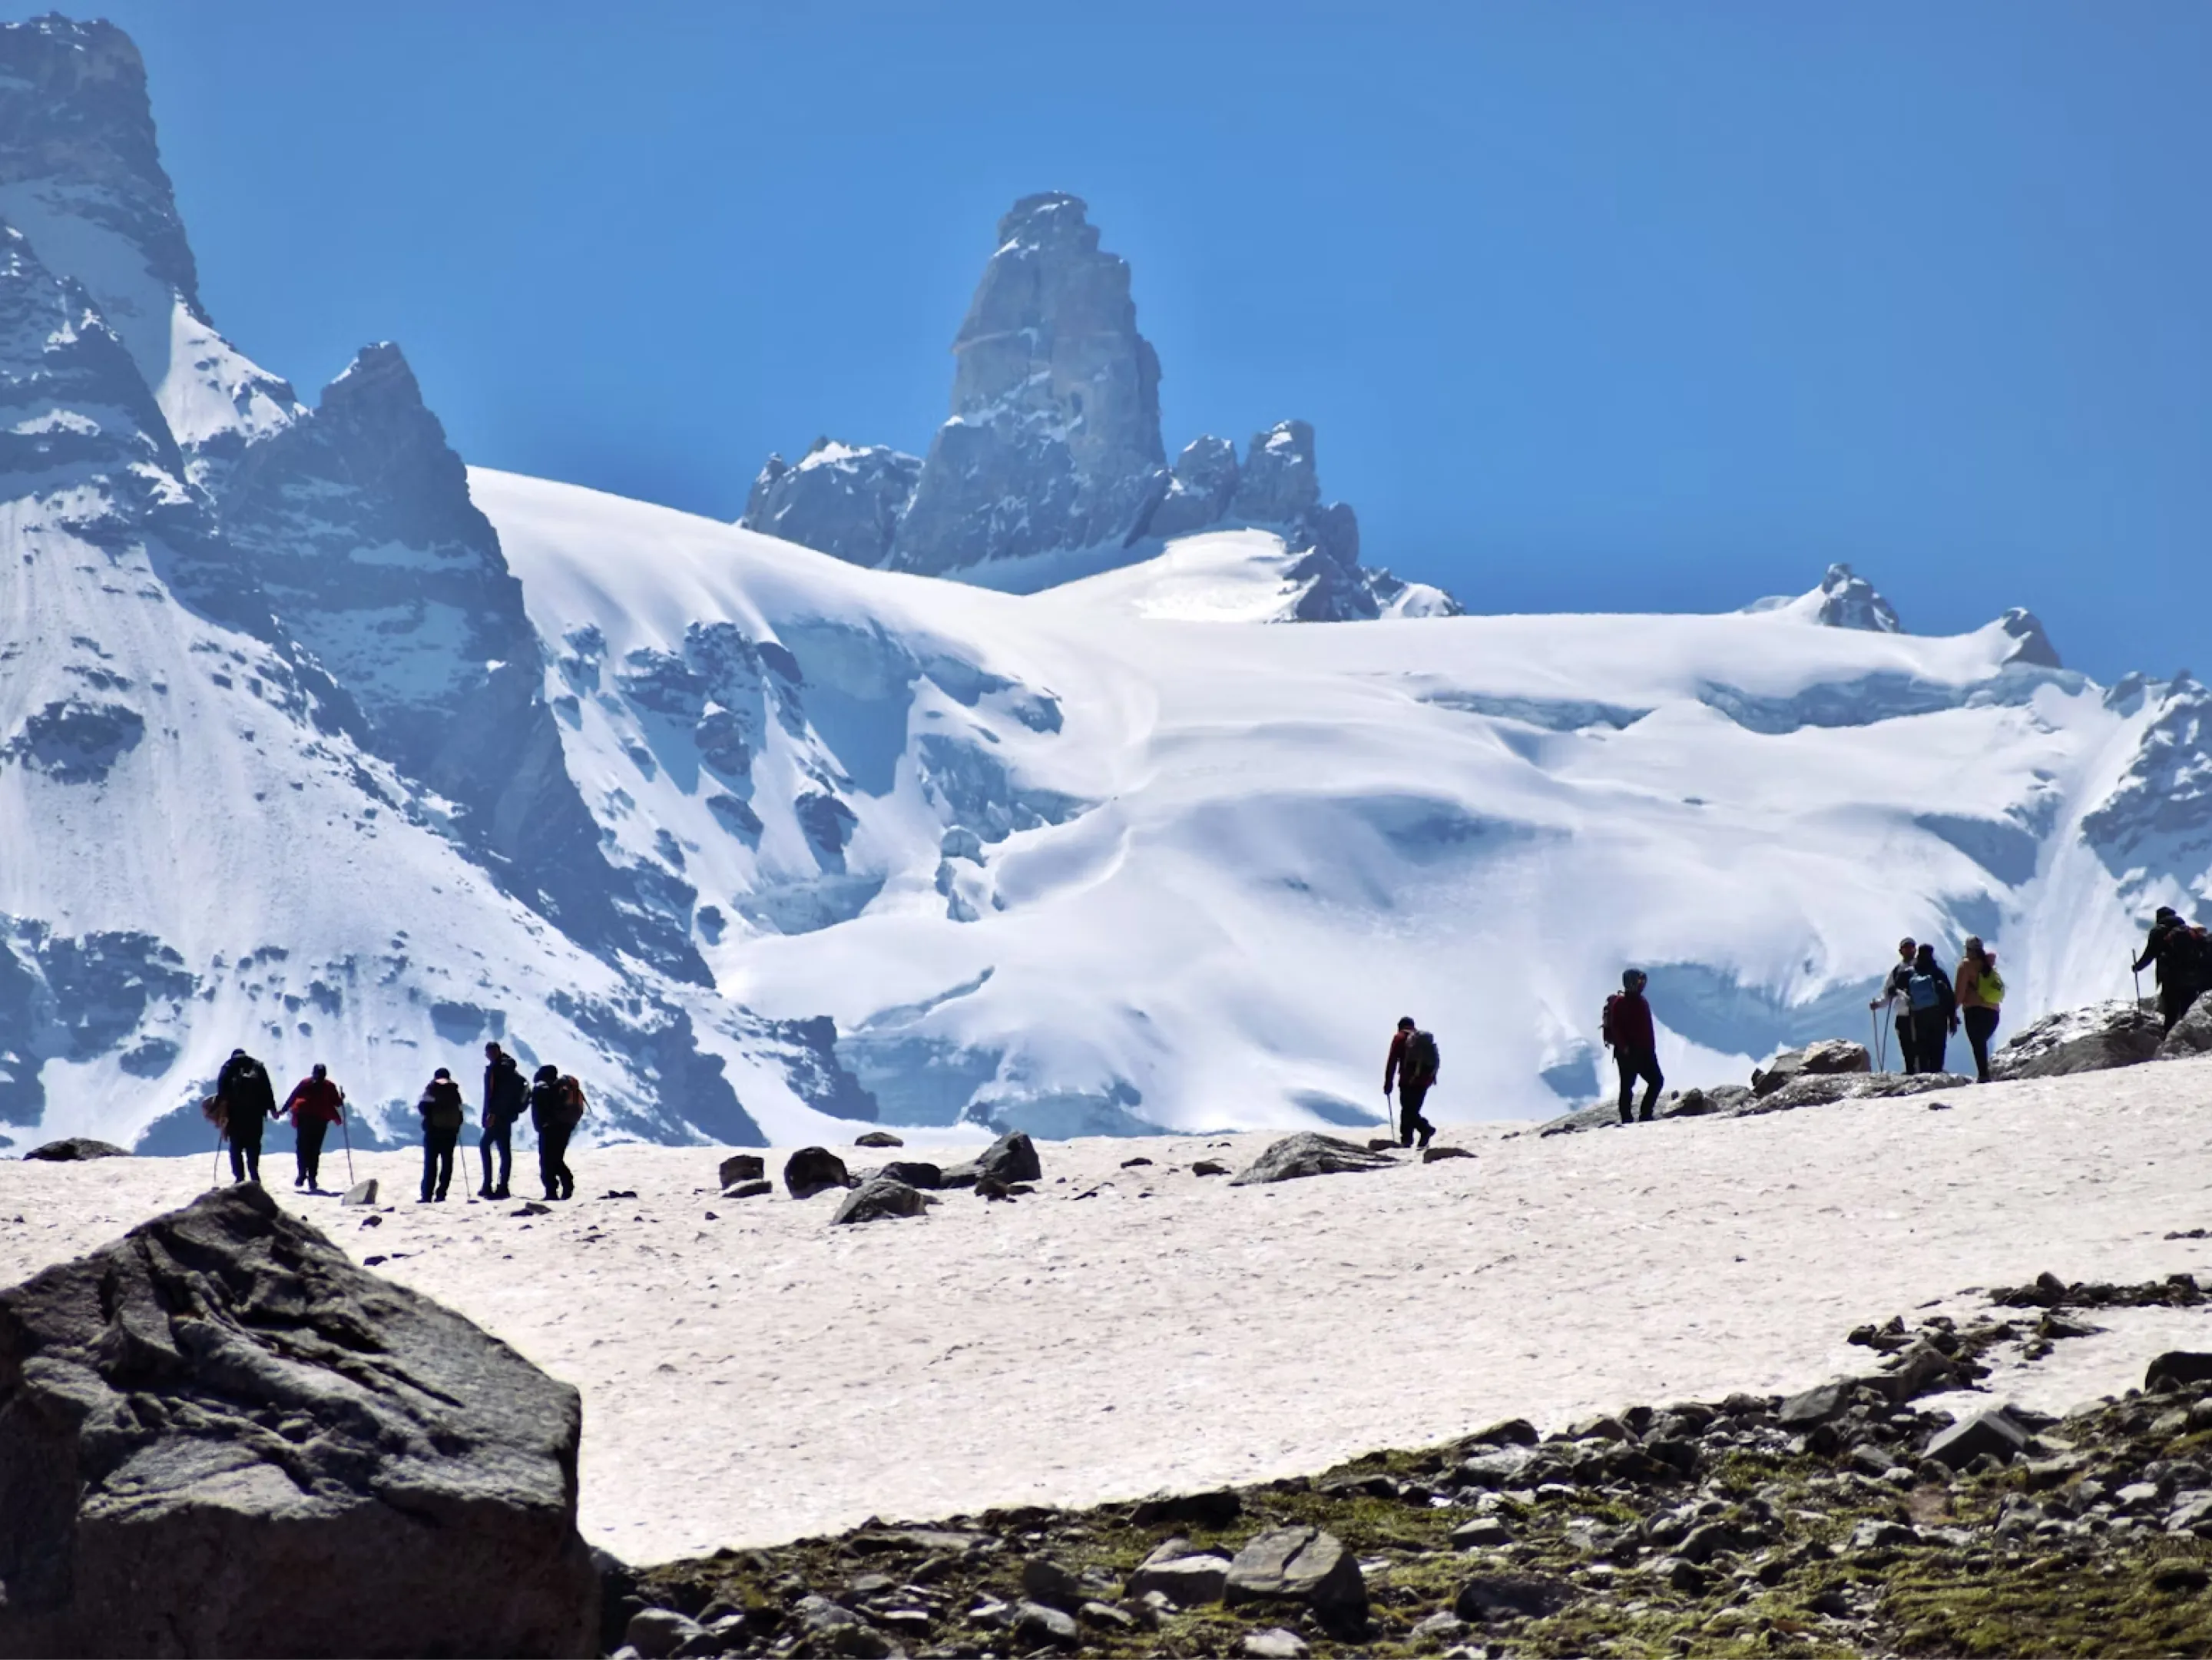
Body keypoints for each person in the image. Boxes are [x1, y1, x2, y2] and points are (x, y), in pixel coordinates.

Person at [1602, 969, 1664, 1123]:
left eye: (1642, 981)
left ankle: (1639, 1116)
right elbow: (1617, 1028)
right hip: (1631, 1053)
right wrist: (1625, 1048)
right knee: (1634, 1086)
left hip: (1641, 1052)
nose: (1642, 984)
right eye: (1639, 981)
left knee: (1650, 1082)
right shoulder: (1621, 1004)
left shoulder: (1639, 1001)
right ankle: (1634, 1117)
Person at [2134, 906, 2206, 1033]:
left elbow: (2150, 953)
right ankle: (2189, 1038)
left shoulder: (2159, 931)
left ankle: (2169, 1039)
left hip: (2172, 978)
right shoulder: (2189, 930)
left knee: (2171, 1010)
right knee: (2187, 1009)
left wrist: (2138, 967)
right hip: (2193, 977)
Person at [216, 1047, 278, 1184]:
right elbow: (267, 1089)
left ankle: (239, 1177)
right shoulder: (258, 1067)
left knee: (236, 1147)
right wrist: (272, 1108)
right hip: (255, 1115)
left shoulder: (228, 1067)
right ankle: (254, 1174)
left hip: (235, 1115)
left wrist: (220, 1111)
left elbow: (222, 1091)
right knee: (253, 1145)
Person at [281, 1063, 346, 1189]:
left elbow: (292, 1097)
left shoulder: (306, 1083)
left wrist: (283, 1110)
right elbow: (337, 1103)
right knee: (314, 1150)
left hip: (304, 1119)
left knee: (302, 1148)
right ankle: (312, 1178)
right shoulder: (329, 1086)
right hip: (320, 1121)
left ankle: (302, 1175)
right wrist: (341, 1098)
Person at [1382, 1018, 1439, 1150]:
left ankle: (1417, 1134)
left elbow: (1392, 1061)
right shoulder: (1422, 1040)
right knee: (1412, 1110)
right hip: (1425, 1080)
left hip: (1408, 1080)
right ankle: (1415, 1136)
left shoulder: (1400, 1037)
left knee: (1407, 1110)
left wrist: (1388, 1082)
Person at [478, 1041, 526, 1200]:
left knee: (487, 1146)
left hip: (497, 1116)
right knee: (504, 1151)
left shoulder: (499, 1069)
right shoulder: (508, 1069)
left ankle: (489, 1185)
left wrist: (491, 1113)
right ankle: (502, 1186)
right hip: (505, 1116)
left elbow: (496, 1096)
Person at [1953, 938, 2005, 1083]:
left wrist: (1951, 1011)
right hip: (1993, 1012)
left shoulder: (1966, 966)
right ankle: (1984, 1074)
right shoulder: (1988, 964)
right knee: (1981, 1042)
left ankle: (1983, 1075)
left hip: (1975, 1011)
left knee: (1977, 1043)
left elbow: (1959, 993)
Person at [1905, 943, 1958, 1074]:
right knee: (1938, 1045)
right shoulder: (1938, 972)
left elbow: (1904, 992)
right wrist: (1952, 1018)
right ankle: (1937, 1073)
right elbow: (1950, 997)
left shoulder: (1912, 972)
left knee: (1922, 1045)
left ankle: (1923, 1073)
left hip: (1918, 1015)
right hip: (1938, 1014)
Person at [529, 1063, 580, 1199]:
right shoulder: (559, 1089)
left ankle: (552, 1191)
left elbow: (543, 1109)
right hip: (564, 1128)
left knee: (546, 1160)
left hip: (549, 1128)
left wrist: (544, 1123)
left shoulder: (542, 1088)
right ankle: (566, 1186)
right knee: (556, 1159)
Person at [1868, 937, 1917, 1072]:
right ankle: (1911, 1070)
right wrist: (1878, 1004)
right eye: (1906, 948)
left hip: (1918, 1013)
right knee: (1906, 1044)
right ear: (1901, 951)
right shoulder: (1897, 971)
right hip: (1904, 1012)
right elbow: (1888, 994)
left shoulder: (1919, 966)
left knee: (1918, 1044)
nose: (1908, 950)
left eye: (1911, 947)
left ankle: (1919, 1070)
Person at [417, 1067, 465, 1202]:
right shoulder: (454, 1091)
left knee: (431, 1163)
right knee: (447, 1163)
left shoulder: (432, 1088)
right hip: (450, 1132)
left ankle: (427, 1195)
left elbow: (423, 1108)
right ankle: (441, 1193)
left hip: (434, 1132)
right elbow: (460, 1113)